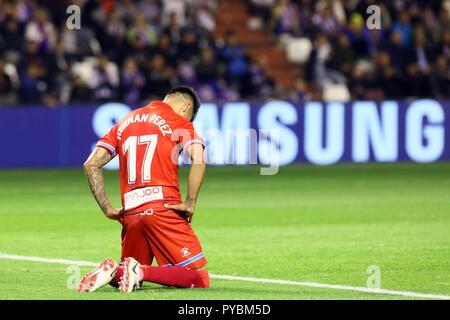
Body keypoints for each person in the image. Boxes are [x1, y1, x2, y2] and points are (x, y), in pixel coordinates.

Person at [77, 86, 209, 293]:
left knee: (127, 276)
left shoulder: (125, 121)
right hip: (163, 208)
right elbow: (198, 158)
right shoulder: (180, 123)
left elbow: (90, 164)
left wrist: (107, 208)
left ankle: (116, 271)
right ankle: (141, 272)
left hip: (131, 212)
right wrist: (190, 202)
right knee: (199, 278)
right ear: (186, 106)